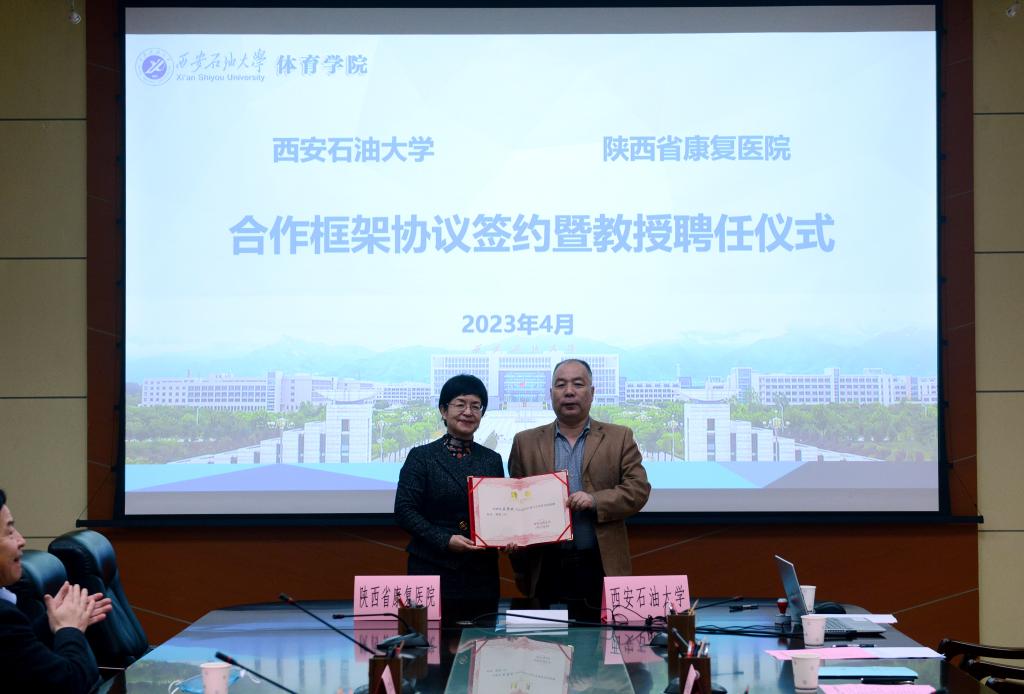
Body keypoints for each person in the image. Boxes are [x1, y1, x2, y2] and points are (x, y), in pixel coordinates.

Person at [509, 359, 650, 623]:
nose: (569, 391)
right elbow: (514, 499)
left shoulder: (619, 437)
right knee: (543, 644)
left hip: (599, 563)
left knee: (601, 643)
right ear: (551, 393)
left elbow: (638, 489)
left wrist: (595, 500)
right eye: (561, 385)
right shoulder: (524, 442)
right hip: (544, 565)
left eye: (578, 384)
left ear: (592, 392)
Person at [394, 374, 505, 626]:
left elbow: (498, 511)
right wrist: (445, 540)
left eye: (476, 406)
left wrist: (508, 535)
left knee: (481, 644)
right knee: (431, 645)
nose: (468, 412)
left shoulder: (492, 460)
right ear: (443, 410)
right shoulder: (421, 457)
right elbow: (404, 511)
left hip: (481, 573)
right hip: (432, 567)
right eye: (460, 404)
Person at [0, 488, 113, 693]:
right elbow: (69, 686)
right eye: (9, 532)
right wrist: (69, 629)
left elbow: (18, 657)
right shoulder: (4, 617)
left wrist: (51, 621)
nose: (21, 540)